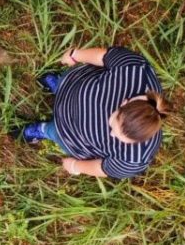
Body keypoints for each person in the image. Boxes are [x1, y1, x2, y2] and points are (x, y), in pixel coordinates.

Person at [21, 46, 166, 179]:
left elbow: (103, 168)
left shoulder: (135, 158)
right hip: (74, 85)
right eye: (115, 126)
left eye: (119, 138)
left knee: (54, 131)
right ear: (124, 102)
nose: (112, 134)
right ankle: (59, 85)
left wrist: (75, 166)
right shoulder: (134, 70)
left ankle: (44, 130)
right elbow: (103, 56)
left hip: (70, 134)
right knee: (64, 84)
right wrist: (74, 55)